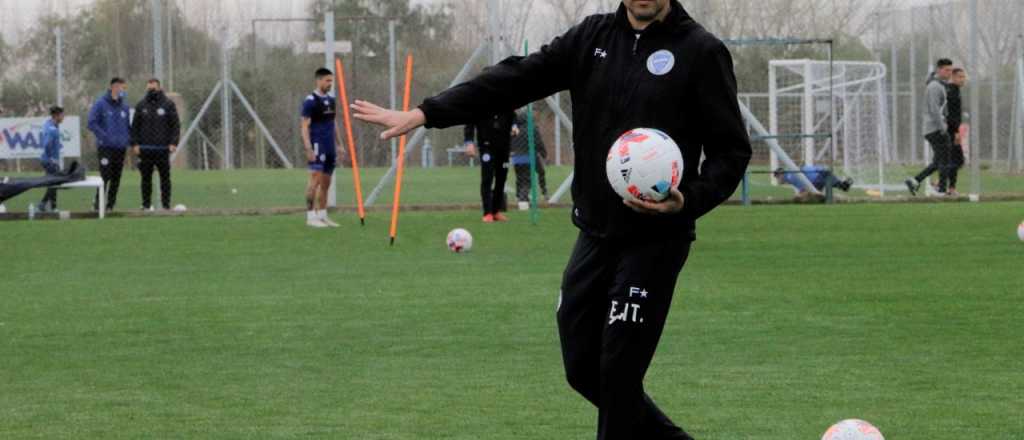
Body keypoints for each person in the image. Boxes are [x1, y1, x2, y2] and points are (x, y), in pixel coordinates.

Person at [352, 1, 751, 438]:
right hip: (595, 235)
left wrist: (687, 200)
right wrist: (426, 113)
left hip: (656, 239)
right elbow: (514, 79)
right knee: (582, 369)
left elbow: (731, 153)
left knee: (618, 376)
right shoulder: (591, 39)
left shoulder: (700, 50)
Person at [301, 68, 345, 228]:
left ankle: (322, 215)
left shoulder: (331, 100)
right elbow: (304, 126)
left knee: (326, 183)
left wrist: (340, 144)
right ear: (318, 80)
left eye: (331, 81)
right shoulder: (310, 101)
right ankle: (310, 216)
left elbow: (333, 123)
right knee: (315, 181)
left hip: (329, 147)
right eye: (327, 80)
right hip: (317, 146)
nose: (330, 84)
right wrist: (308, 148)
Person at [130, 78, 181, 211]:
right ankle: (146, 205)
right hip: (145, 149)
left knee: (165, 178)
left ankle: (166, 205)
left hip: (163, 149)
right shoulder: (141, 105)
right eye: (149, 88)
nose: (151, 91)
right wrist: (134, 144)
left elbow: (175, 125)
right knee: (145, 179)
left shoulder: (168, 104)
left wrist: (173, 143)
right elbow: (135, 126)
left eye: (153, 88)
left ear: (159, 88)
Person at [906, 59, 954, 196]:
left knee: (939, 161)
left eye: (951, 70)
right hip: (935, 129)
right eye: (946, 70)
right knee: (944, 160)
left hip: (934, 128)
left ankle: (914, 180)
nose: (949, 73)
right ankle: (941, 189)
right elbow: (934, 110)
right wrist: (943, 128)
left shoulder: (939, 85)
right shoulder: (934, 86)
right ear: (939, 70)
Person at [88, 77, 132, 211]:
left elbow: (127, 126)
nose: (123, 91)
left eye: (124, 89)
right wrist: (104, 137)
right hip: (105, 147)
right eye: (121, 88)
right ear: (114, 87)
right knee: (105, 176)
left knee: (116, 177)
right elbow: (91, 122)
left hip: (120, 148)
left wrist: (128, 141)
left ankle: (110, 205)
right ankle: (97, 204)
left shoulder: (124, 107)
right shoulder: (100, 104)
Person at [465, 111, 517, 222]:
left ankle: (496, 211)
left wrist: (514, 126)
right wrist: (469, 142)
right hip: (486, 147)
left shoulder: (506, 101)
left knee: (501, 179)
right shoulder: (479, 103)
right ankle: (487, 213)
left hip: (504, 148)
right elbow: (469, 123)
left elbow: (513, 116)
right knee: (487, 179)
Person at [511, 110, 549, 210]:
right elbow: (538, 142)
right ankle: (523, 201)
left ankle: (519, 196)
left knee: (520, 178)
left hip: (516, 158)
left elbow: (510, 143)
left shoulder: (515, 130)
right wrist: (544, 153)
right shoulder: (532, 128)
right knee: (527, 180)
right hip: (529, 157)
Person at [37, 106, 65, 212]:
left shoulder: (49, 124)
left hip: (47, 160)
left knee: (53, 182)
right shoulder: (52, 129)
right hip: (49, 161)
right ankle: (44, 205)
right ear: (56, 115)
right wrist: (51, 158)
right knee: (54, 182)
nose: (63, 117)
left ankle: (51, 207)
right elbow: (47, 144)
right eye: (62, 115)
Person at [946, 68, 967, 196]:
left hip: (952, 129)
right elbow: (951, 115)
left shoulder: (956, 90)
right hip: (950, 131)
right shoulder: (951, 91)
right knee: (957, 160)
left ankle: (942, 183)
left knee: (956, 159)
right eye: (960, 77)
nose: (962, 79)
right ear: (953, 77)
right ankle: (950, 188)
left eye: (964, 77)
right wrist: (955, 132)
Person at [773, 166, 852, 196]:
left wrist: (800, 193)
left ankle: (835, 198)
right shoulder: (790, 173)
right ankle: (847, 182)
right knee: (843, 187)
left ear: (781, 175)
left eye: (777, 177)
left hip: (817, 178)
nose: (778, 180)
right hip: (821, 171)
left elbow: (802, 187)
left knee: (814, 197)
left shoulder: (789, 177)